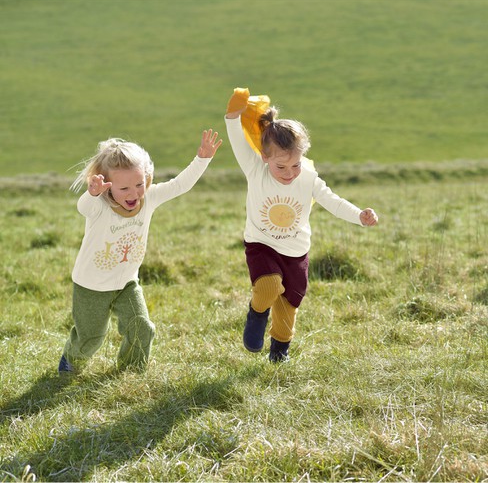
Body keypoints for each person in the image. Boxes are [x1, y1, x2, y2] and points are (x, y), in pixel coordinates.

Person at [225, 87, 378, 362]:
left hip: (296, 252)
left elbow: (332, 200)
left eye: (295, 165)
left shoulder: (308, 177)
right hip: (262, 245)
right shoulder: (254, 169)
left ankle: (279, 353)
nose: (289, 173)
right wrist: (233, 115)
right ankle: (256, 315)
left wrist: (359, 216)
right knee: (268, 287)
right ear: (265, 157)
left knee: (289, 304)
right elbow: (237, 138)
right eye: (281, 167)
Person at [58, 130, 222, 374]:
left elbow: (180, 185)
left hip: (126, 282)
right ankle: (71, 361)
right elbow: (84, 206)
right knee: (91, 337)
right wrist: (93, 193)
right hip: (91, 286)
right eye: (124, 188)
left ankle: (130, 372)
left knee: (142, 327)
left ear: (146, 178)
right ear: (107, 185)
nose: (133, 193)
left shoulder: (150, 198)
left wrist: (202, 159)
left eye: (139, 184)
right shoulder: (99, 205)